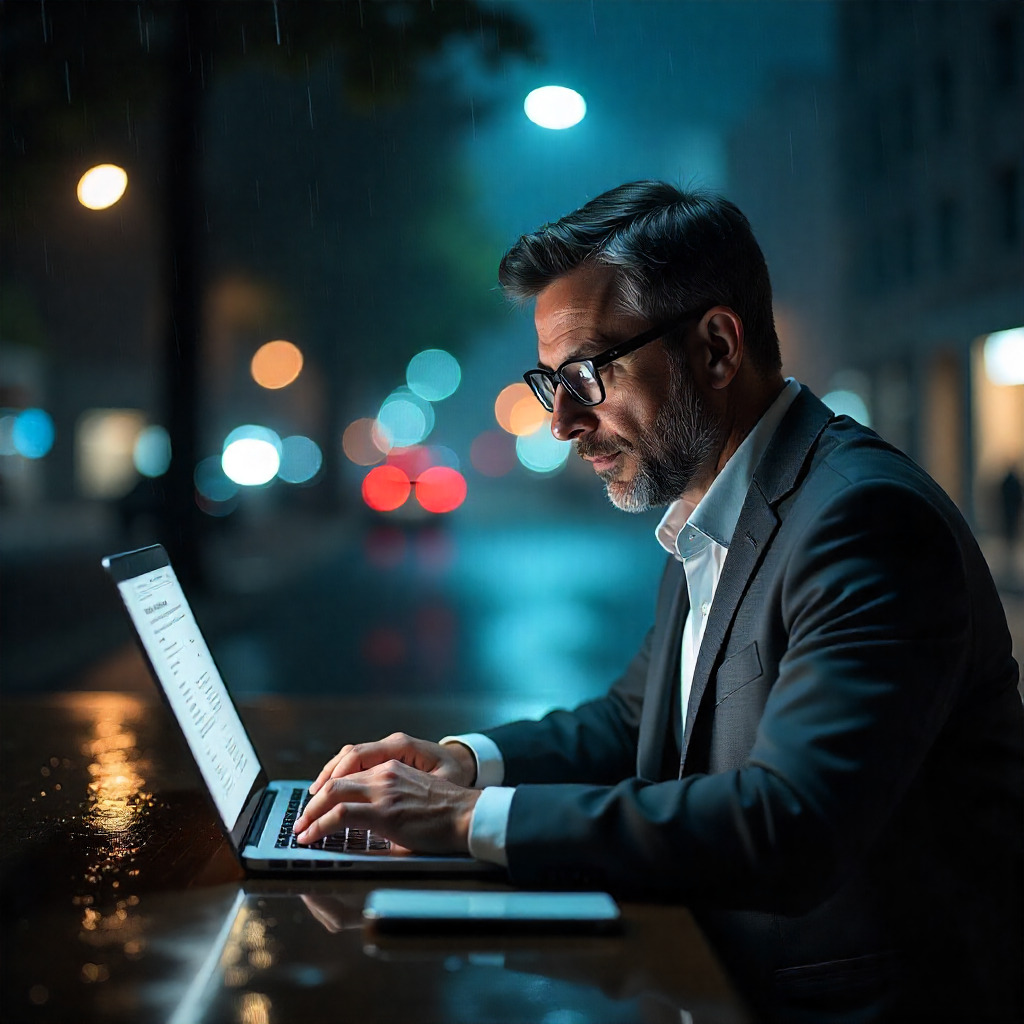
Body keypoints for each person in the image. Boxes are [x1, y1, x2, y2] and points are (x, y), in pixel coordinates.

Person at [294, 182, 1024, 1021]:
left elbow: (789, 826)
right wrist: (461, 762)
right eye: (549, 382)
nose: (562, 420)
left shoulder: (866, 520)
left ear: (716, 348)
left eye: (588, 374)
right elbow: (630, 723)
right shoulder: (712, 509)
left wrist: (469, 818)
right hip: (721, 977)